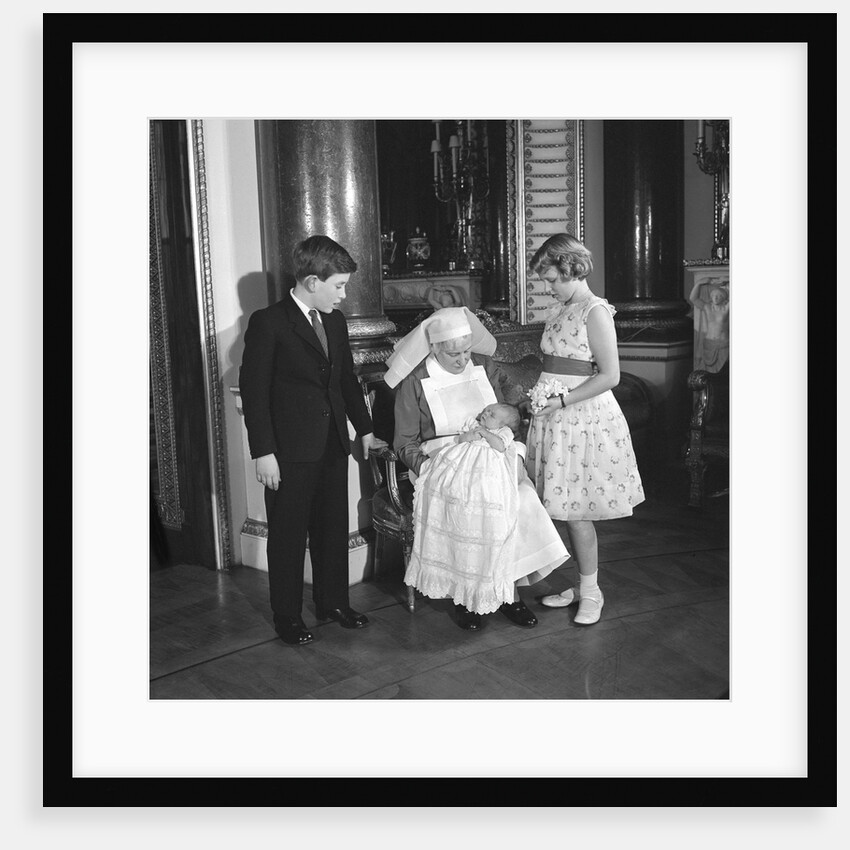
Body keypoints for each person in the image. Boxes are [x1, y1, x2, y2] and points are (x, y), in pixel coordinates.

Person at [239, 235, 387, 646]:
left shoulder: (335, 322)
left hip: (332, 444)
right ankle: (286, 616)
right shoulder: (269, 323)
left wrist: (366, 426)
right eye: (338, 285)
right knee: (287, 535)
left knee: (331, 528)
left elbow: (344, 382)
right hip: (287, 452)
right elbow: (254, 393)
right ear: (310, 281)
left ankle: (333, 603)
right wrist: (264, 452)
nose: (343, 294)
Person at [385, 307, 569, 631]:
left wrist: (515, 457)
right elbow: (403, 442)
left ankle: (509, 593)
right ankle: (465, 596)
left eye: (466, 351)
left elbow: (506, 420)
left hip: (492, 454)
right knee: (466, 504)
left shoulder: (484, 366)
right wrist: (434, 468)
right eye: (454, 354)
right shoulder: (415, 380)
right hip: (440, 458)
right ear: (435, 348)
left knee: (520, 499)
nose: (462, 360)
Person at [525, 233, 645, 626]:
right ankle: (582, 583)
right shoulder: (561, 310)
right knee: (559, 509)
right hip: (552, 420)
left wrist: (559, 401)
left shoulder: (595, 311)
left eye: (553, 279)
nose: (549, 287)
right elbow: (554, 365)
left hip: (581, 419)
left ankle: (592, 593)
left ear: (573, 268)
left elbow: (610, 376)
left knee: (576, 513)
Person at [688, 278, 729, 373]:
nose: (715, 297)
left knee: (723, 373)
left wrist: (728, 279)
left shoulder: (726, 309)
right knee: (707, 373)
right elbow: (693, 298)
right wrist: (699, 283)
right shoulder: (707, 307)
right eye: (714, 295)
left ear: (724, 297)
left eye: (718, 296)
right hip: (709, 344)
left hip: (723, 344)